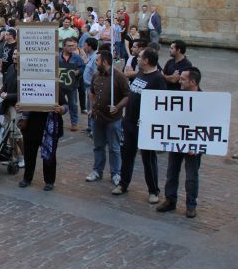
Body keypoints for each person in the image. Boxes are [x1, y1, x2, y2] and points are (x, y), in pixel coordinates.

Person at [114, 48, 167, 202]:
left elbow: (160, 103)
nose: (137, 58)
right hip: (129, 121)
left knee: (148, 158)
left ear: (147, 60)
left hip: (144, 124)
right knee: (127, 154)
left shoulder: (158, 79)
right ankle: (123, 184)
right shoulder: (141, 73)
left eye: (140, 57)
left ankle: (153, 191)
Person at [156, 67, 203, 218]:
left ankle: (191, 205)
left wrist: (197, 145)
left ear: (193, 81)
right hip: (176, 142)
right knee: (171, 172)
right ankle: (170, 200)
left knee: (191, 176)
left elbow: (209, 126)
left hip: (193, 146)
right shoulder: (177, 96)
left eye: (183, 79)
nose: (179, 81)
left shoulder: (206, 100)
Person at [85, 50, 130, 186]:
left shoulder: (119, 76)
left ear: (104, 61)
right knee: (98, 146)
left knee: (114, 148)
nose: (95, 63)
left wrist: (117, 107)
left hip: (113, 119)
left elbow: (128, 95)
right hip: (97, 118)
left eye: (97, 60)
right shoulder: (96, 75)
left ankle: (116, 173)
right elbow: (91, 93)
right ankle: (97, 170)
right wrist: (92, 108)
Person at [18, 89, 69, 191]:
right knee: (29, 155)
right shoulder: (28, 86)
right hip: (30, 127)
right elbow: (20, 103)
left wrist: (61, 108)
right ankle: (27, 178)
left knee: (49, 155)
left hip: (49, 128)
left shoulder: (55, 86)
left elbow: (66, 105)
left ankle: (49, 181)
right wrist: (19, 107)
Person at [59, 37, 85, 131]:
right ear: (64, 46)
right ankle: (59, 122)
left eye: (72, 46)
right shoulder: (57, 57)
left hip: (72, 86)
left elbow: (83, 67)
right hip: (59, 86)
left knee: (73, 104)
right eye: (69, 46)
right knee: (58, 104)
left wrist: (78, 71)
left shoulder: (77, 57)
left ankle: (74, 123)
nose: (71, 48)